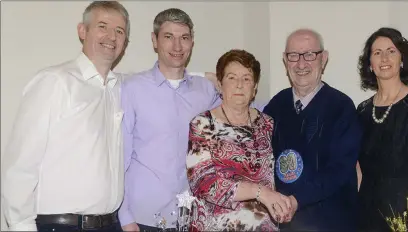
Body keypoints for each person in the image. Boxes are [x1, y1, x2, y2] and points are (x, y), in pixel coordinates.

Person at [1, 1, 129, 231]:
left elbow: (162, 83)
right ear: (83, 30)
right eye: (103, 26)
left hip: (111, 224)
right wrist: (21, 226)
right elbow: (21, 165)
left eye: (119, 31)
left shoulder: (120, 88)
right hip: (61, 225)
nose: (112, 36)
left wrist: (210, 77)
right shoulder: (55, 81)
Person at [119, 8, 225, 232]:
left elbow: (240, 117)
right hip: (143, 218)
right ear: (154, 41)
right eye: (168, 37)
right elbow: (121, 156)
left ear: (192, 43)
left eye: (184, 38)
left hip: (193, 218)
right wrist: (125, 217)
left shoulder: (206, 90)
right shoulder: (133, 89)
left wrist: (214, 78)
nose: (177, 47)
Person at [263, 28, 362, 231]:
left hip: (331, 222)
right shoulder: (275, 106)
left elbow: (340, 170)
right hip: (285, 223)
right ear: (285, 60)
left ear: (323, 59)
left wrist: (296, 199)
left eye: (309, 55)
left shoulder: (341, 107)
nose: (301, 64)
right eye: (293, 56)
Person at [187, 49, 292, 231]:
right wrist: (260, 193)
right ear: (220, 85)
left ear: (255, 87)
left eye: (246, 79)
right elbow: (203, 183)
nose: (239, 85)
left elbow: (281, 174)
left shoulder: (268, 124)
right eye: (232, 78)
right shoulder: (203, 124)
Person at [355, 27, 408, 232]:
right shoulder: (362, 110)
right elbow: (359, 172)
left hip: (404, 216)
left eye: (391, 51)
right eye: (377, 52)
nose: (384, 58)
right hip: (367, 214)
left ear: (402, 59)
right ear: (370, 64)